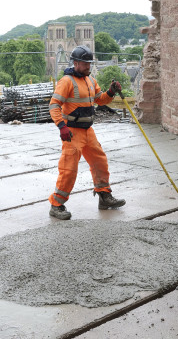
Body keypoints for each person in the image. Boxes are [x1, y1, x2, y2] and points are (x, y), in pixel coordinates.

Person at [47, 45, 126, 220]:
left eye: (90, 63)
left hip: (88, 131)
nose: (88, 66)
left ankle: (104, 196)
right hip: (72, 132)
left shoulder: (90, 81)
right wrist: (62, 126)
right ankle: (56, 204)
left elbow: (101, 99)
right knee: (69, 169)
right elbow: (54, 105)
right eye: (85, 63)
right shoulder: (66, 81)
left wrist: (111, 92)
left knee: (100, 162)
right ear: (76, 63)